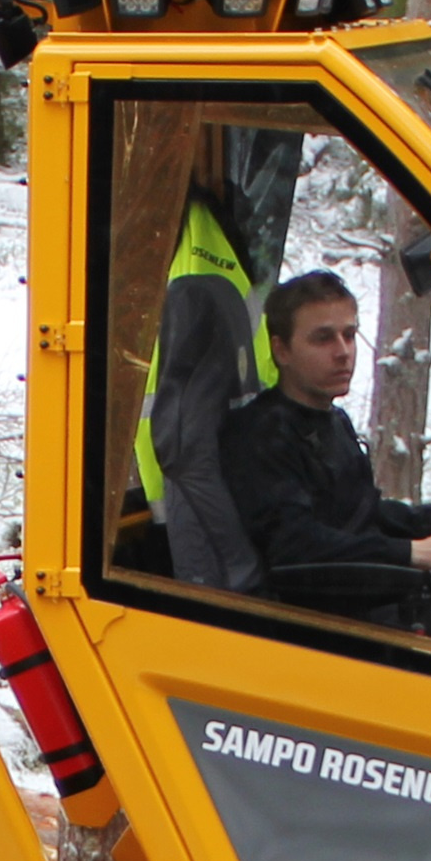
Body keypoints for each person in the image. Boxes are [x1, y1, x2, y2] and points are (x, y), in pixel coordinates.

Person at [222, 268, 431, 626]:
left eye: (349, 335)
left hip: (369, 598)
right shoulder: (259, 434)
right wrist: (415, 552)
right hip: (321, 623)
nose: (343, 352)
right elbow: (295, 547)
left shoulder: (332, 420)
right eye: (323, 339)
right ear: (281, 350)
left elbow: (364, 511)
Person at [133, 184, 274, 589]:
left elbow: (182, 436)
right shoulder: (208, 260)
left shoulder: (189, 275)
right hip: (206, 495)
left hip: (191, 496)